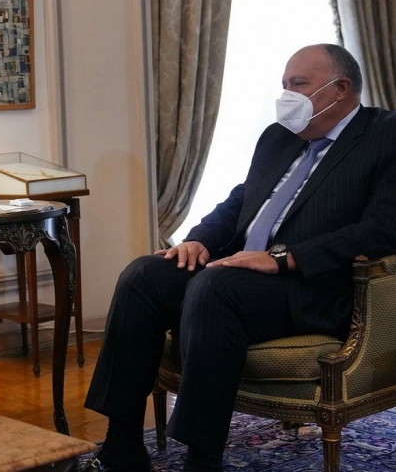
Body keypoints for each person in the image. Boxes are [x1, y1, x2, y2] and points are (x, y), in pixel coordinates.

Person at [85, 44, 396, 472]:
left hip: (316, 284)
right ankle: (121, 447)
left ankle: (202, 459)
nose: (287, 95)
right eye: (284, 85)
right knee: (144, 275)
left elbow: (382, 228)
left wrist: (283, 258)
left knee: (216, 288)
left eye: (299, 84)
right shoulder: (278, 137)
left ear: (340, 88)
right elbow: (239, 202)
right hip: (246, 275)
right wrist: (199, 241)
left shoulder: (384, 136)